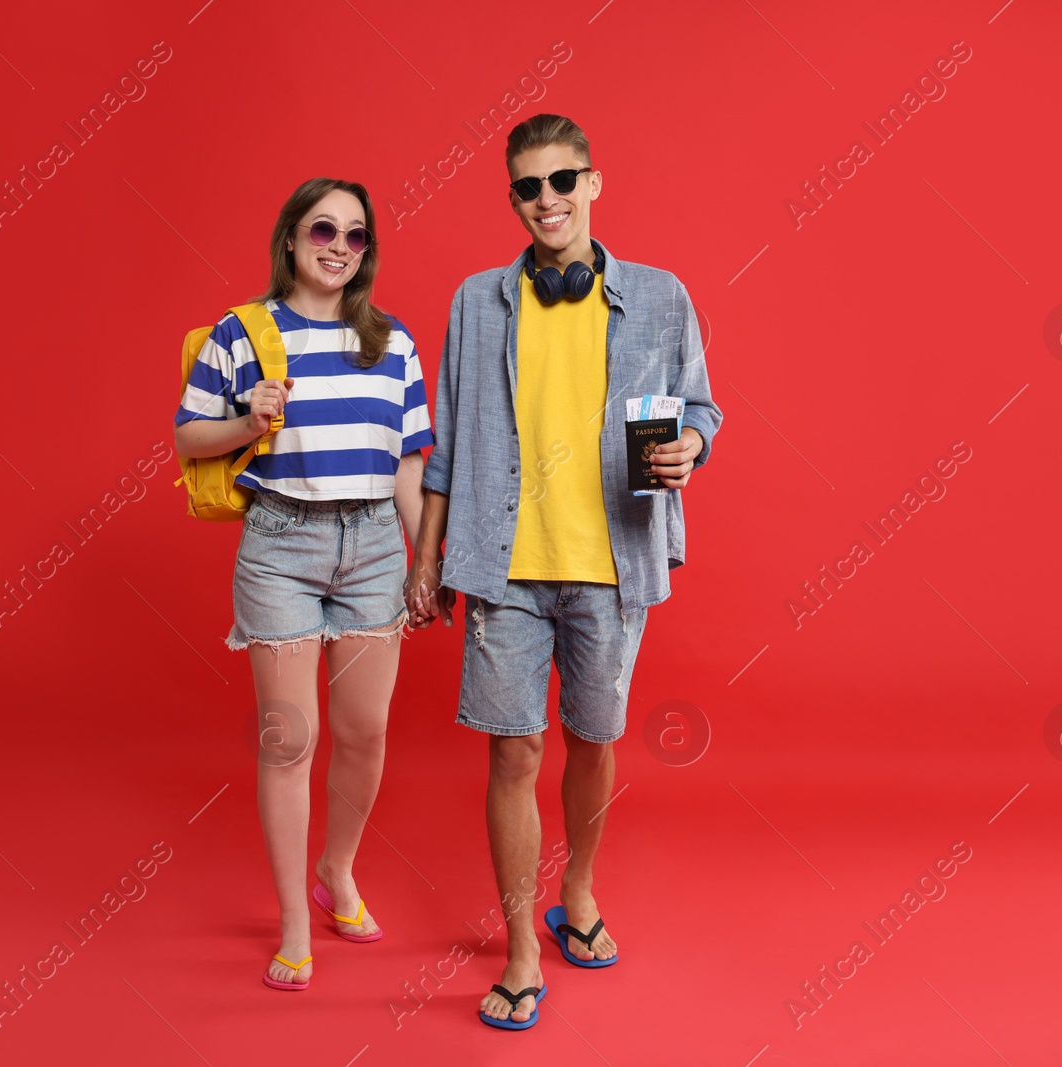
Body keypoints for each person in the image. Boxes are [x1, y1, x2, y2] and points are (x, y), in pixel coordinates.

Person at [407, 114, 722, 1029]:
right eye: (527, 187)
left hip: (612, 564)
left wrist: (690, 446)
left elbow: (701, 404)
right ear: (514, 197)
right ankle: (517, 951)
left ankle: (576, 891)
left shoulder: (660, 297)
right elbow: (448, 439)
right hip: (504, 567)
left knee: (593, 738)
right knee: (513, 751)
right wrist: (427, 557)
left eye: (560, 180)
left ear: (593, 183)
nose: (545, 199)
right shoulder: (476, 302)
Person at [173, 177, 433, 992]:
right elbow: (187, 437)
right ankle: (293, 920)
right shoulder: (241, 333)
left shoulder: (391, 342)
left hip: (373, 553)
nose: (338, 247)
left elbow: (409, 463)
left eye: (356, 236)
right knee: (290, 741)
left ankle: (338, 870)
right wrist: (249, 422)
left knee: (364, 733)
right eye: (323, 229)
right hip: (281, 541)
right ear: (290, 237)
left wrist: (422, 556)